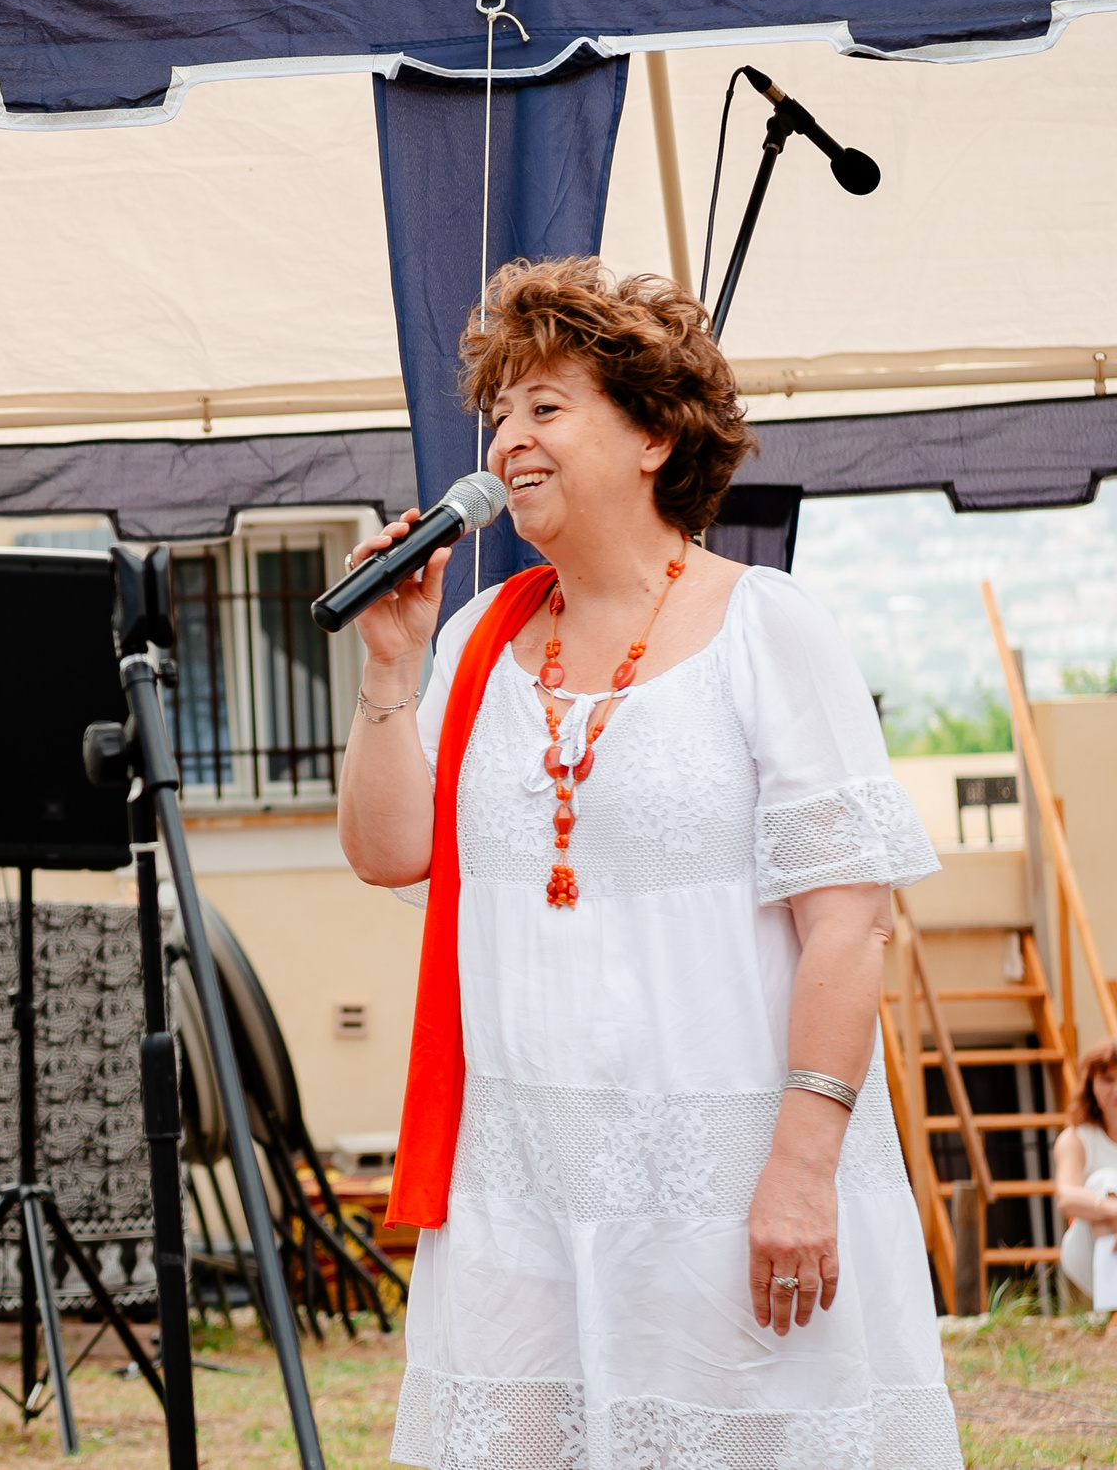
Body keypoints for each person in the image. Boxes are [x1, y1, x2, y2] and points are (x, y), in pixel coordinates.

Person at [335, 259, 957, 1468]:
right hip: (526, 1197)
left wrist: (799, 1168)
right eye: (498, 412)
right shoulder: (472, 640)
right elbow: (385, 850)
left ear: (655, 435)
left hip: (725, 1182)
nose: (506, 440)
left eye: (545, 407)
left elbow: (849, 924)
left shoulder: (767, 627)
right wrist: (388, 666)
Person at [1055, 1038, 1117, 1306]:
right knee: (1106, 1182)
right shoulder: (1076, 1139)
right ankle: (1110, 1308)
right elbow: (1067, 1199)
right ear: (1091, 1086)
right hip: (1086, 1251)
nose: (1116, 1090)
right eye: (1108, 1079)